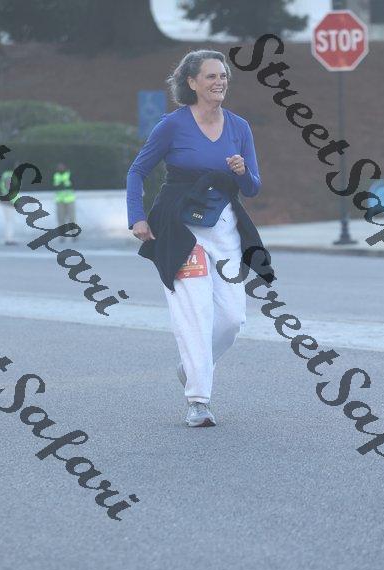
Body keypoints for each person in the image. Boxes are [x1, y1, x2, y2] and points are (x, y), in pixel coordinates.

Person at [126, 49, 274, 428]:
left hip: (223, 226)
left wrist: (242, 171)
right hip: (180, 228)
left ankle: (191, 367)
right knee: (195, 312)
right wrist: (137, 217)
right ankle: (198, 400)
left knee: (232, 319)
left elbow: (252, 188)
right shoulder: (172, 126)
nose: (219, 82)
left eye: (223, 75)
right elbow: (137, 171)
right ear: (191, 82)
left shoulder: (239, 127)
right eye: (211, 76)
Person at [53, 163, 76, 240]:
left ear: (65, 167)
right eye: (59, 167)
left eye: (62, 167)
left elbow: (73, 185)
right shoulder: (56, 175)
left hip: (69, 200)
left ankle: (74, 234)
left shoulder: (69, 174)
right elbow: (54, 186)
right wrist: (64, 185)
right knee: (61, 219)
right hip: (60, 200)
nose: (60, 168)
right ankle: (62, 236)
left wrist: (62, 185)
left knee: (71, 218)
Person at [0, 161, 19, 245]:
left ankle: (8, 238)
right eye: (16, 165)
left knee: (9, 220)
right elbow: (9, 187)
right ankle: (9, 239)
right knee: (10, 221)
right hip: (8, 201)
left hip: (5, 200)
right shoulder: (9, 175)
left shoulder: (5, 174)